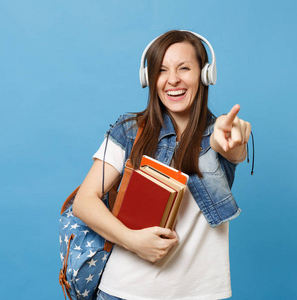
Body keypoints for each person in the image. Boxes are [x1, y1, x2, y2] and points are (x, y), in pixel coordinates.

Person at [73, 30, 251, 300]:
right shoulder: (129, 131)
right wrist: (132, 241)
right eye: (162, 70)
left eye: (184, 68)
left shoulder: (218, 133)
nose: (173, 80)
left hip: (199, 294)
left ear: (205, 75)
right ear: (150, 78)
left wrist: (233, 139)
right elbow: (84, 201)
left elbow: (231, 148)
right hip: (123, 292)